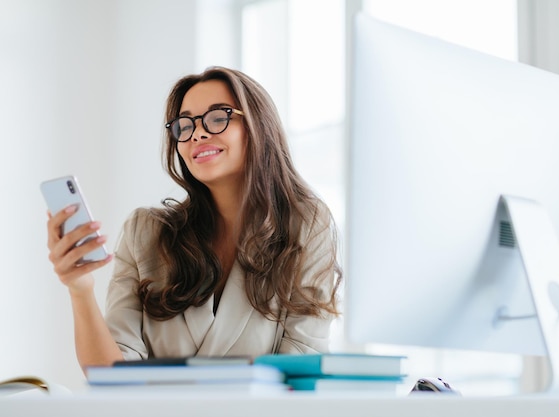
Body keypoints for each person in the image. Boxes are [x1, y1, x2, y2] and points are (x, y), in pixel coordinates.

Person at [46, 66, 343, 372]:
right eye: (184, 125)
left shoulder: (306, 225)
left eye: (218, 117)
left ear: (258, 126)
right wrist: (80, 289)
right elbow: (112, 374)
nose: (197, 133)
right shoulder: (146, 232)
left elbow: (301, 366)